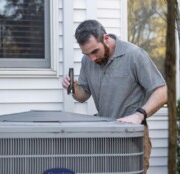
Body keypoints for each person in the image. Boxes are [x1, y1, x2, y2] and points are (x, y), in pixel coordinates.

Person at [62, 20, 167, 173]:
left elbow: (163, 91)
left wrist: (139, 115)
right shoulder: (88, 61)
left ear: (105, 38)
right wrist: (74, 88)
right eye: (86, 54)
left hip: (132, 134)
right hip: (103, 133)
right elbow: (83, 95)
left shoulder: (134, 55)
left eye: (94, 51)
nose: (91, 58)